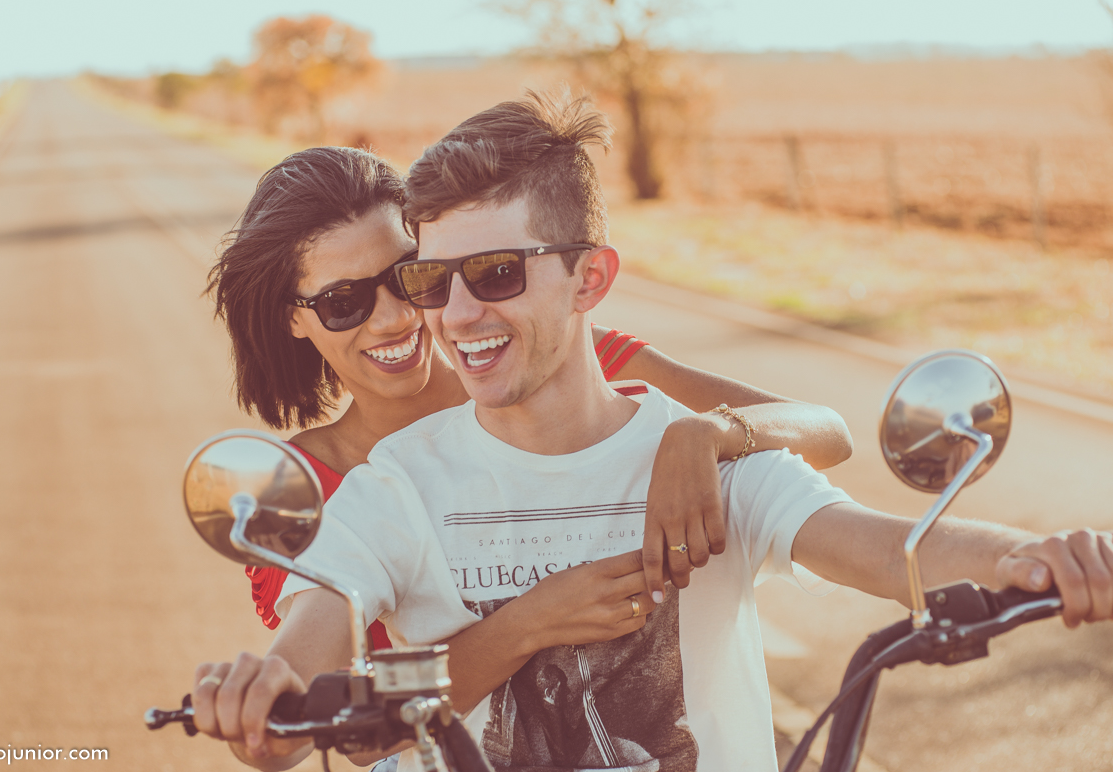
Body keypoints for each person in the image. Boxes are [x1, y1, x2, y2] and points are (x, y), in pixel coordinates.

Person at [191, 91, 1113, 772]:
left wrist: (1037, 557)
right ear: (300, 321)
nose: (440, 313)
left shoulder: (688, 442)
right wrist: (259, 690)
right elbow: (309, 667)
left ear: (590, 281)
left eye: (497, 272)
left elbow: (888, 545)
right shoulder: (382, 486)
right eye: (439, 280)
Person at [206, 143, 854, 642]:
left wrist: (705, 432)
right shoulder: (299, 496)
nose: (394, 318)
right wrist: (531, 623)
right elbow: (363, 722)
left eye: (406, 276)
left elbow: (827, 432)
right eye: (343, 301)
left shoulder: (560, 360)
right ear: (293, 315)